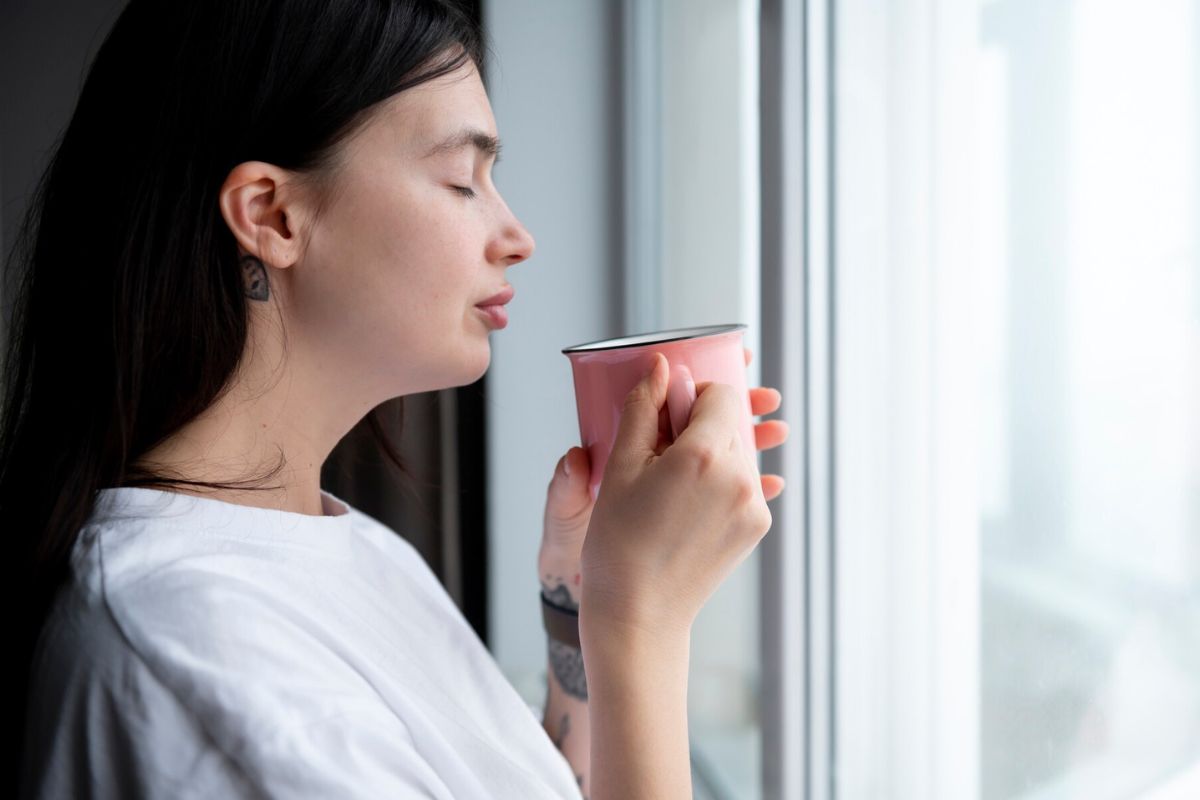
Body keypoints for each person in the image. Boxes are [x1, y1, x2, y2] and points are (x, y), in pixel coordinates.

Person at [2, 0, 789, 797]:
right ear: (272, 216)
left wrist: (580, 597)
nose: (517, 235)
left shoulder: (346, 549)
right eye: (461, 180)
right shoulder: (191, 647)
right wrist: (642, 623)